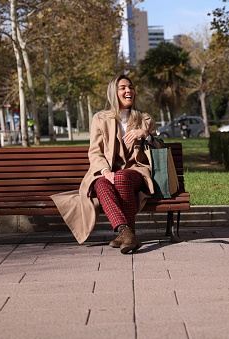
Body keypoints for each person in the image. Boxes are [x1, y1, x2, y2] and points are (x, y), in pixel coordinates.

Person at [51, 74, 158, 254]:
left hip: (137, 172)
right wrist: (106, 171)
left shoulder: (145, 119)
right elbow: (95, 152)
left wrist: (145, 135)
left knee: (123, 176)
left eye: (130, 87)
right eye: (123, 87)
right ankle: (126, 233)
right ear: (113, 92)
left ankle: (126, 234)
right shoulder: (100, 119)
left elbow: (161, 148)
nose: (128, 91)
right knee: (101, 182)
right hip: (110, 172)